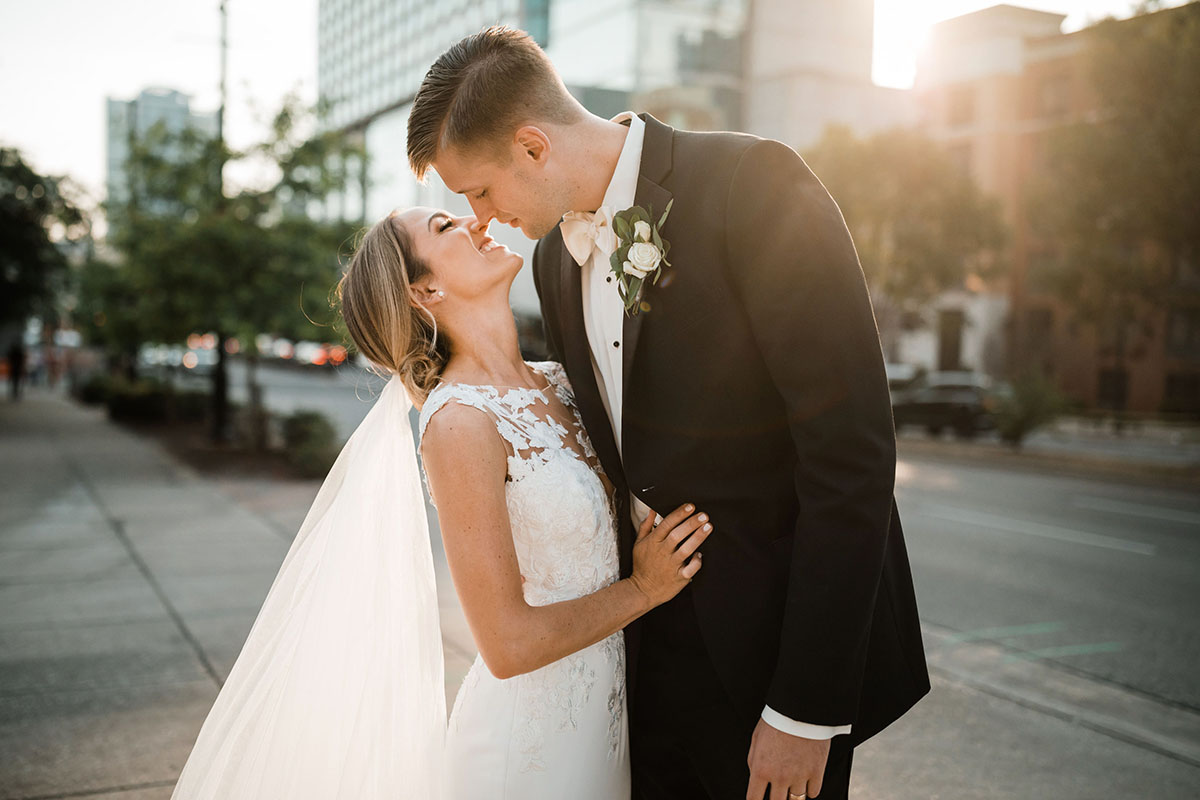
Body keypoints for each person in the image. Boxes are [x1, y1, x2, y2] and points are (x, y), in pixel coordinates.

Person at [406, 26, 930, 800]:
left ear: (532, 146)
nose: (482, 216)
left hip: (772, 666)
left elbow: (850, 456)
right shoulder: (553, 261)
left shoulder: (753, 183)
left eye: (479, 191)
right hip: (639, 673)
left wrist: (806, 709)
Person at [169, 206, 711, 799]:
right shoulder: (459, 423)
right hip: (531, 751)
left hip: (610, 720)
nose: (480, 223)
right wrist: (643, 589)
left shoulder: (561, 381)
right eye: (448, 227)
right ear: (425, 288)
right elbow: (506, 644)